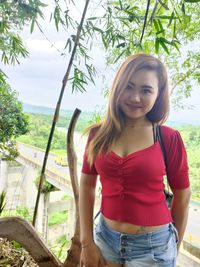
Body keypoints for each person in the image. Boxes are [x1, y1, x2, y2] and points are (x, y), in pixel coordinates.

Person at [79, 53, 191, 267]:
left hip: (154, 247)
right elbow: (87, 186)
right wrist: (87, 243)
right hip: (105, 239)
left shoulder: (168, 138)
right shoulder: (97, 135)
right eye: (129, 87)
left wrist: (172, 246)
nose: (135, 97)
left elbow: (183, 196)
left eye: (146, 90)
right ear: (118, 87)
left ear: (158, 95)